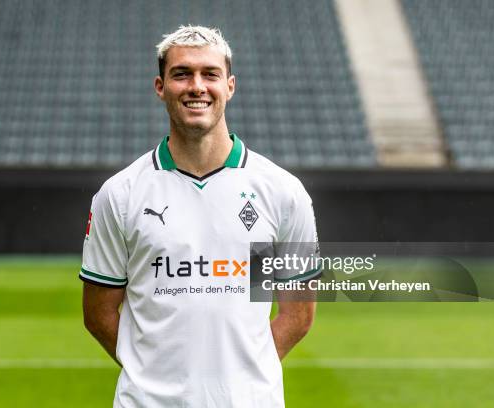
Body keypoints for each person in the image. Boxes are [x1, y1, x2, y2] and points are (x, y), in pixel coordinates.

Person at [80, 25, 319, 407]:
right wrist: (152, 378)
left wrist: (244, 381)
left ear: (230, 86)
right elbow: (99, 313)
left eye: (210, 74)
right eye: (181, 74)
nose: (196, 86)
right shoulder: (119, 194)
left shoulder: (283, 193)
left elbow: (299, 312)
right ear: (160, 86)